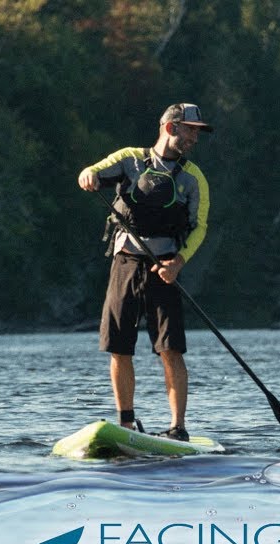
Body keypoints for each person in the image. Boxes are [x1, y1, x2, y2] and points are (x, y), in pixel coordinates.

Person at [76, 103, 213, 440]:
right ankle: (126, 424)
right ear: (170, 127)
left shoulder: (194, 178)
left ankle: (178, 428)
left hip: (164, 268)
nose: (195, 138)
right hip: (125, 263)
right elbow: (93, 171)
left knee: (170, 348)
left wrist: (178, 263)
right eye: (190, 130)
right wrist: (88, 175)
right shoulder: (129, 159)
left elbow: (200, 227)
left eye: (197, 132)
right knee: (119, 347)